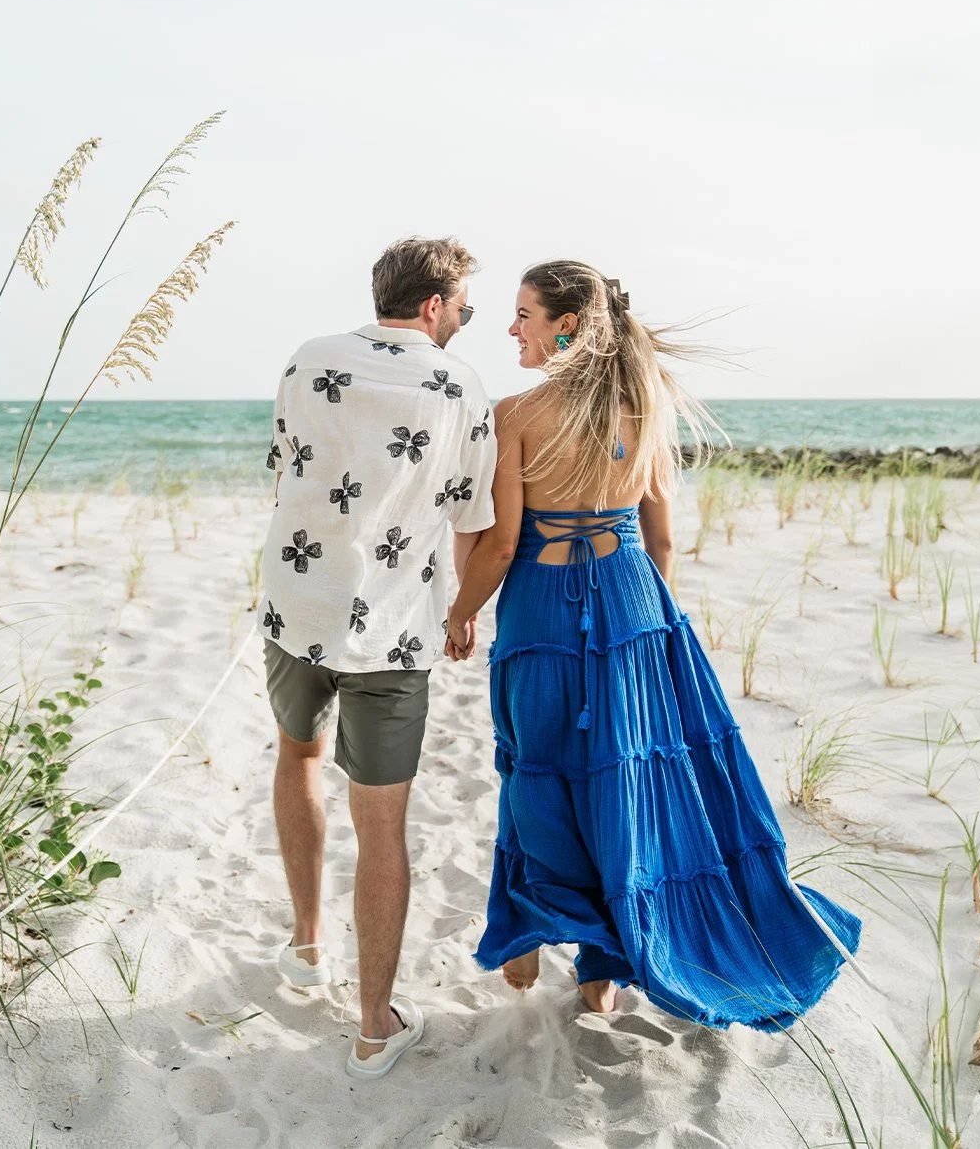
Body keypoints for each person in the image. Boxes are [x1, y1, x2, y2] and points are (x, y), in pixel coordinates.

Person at [445, 260, 861, 1026]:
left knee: (537, 763)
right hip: (635, 603)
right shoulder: (647, 410)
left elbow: (503, 547)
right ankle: (602, 968)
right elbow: (662, 538)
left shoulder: (517, 414)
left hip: (541, 605)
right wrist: (648, 619)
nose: (513, 329)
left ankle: (539, 920)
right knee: (626, 775)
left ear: (566, 324)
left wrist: (459, 614)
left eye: (525, 314)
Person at [259, 236, 498, 1080]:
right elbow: (472, 515)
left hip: (299, 608)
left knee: (298, 756)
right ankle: (371, 1027)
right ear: (433, 305)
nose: (466, 318)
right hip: (395, 630)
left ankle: (306, 944)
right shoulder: (459, 382)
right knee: (383, 822)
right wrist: (464, 613)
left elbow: (284, 468)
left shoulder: (308, 358)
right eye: (464, 304)